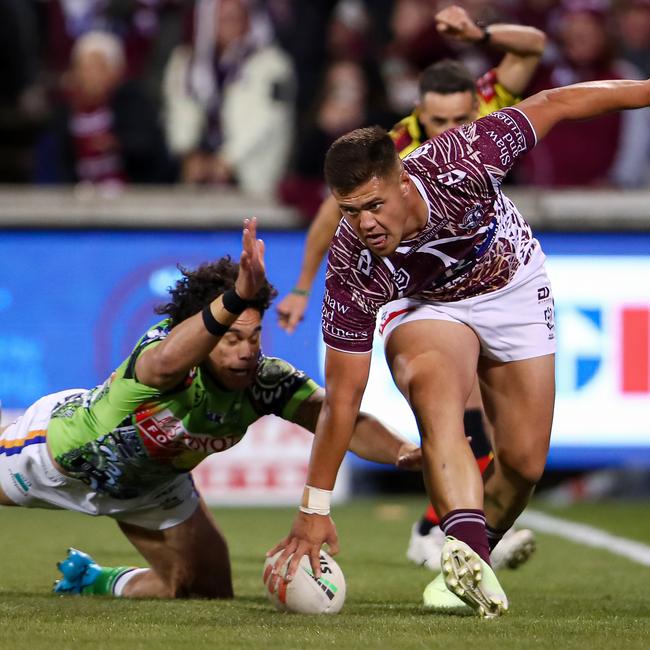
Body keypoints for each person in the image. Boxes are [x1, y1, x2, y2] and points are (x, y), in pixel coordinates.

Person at [268, 80, 650, 619]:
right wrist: (314, 507)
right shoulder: (354, 265)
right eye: (350, 211)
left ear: (403, 180)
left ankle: (473, 556)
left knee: (522, 463)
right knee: (434, 390)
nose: (366, 224)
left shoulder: (462, 161)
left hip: (511, 285)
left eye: (375, 205)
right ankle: (465, 554)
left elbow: (557, 103)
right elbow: (344, 398)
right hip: (427, 306)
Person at [0, 219, 420, 599]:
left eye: (254, 337)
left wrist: (402, 451)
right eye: (232, 338)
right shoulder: (164, 350)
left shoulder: (264, 382)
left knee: (208, 590)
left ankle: (92, 580)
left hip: (152, 488)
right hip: (56, 456)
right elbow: (164, 366)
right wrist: (237, 295)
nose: (246, 352)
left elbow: (336, 416)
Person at [276, 3, 546, 574]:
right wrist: (303, 283)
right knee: (443, 391)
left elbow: (536, 55)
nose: (449, 130)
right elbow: (335, 216)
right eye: (437, 122)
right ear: (419, 116)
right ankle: (444, 533)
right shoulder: (391, 153)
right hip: (421, 293)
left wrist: (482, 32)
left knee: (520, 455)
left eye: (459, 118)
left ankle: (463, 528)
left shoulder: (479, 135)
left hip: (497, 271)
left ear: (476, 106)